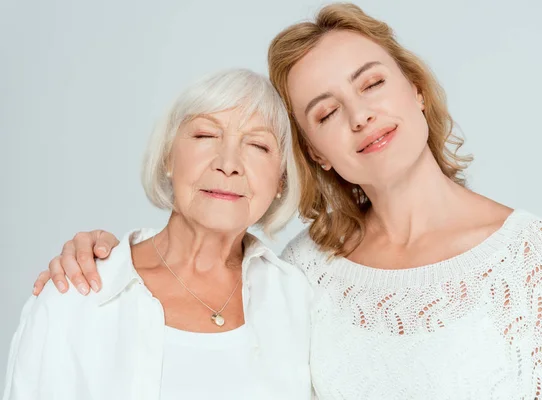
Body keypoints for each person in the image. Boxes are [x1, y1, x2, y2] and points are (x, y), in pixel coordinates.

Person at [31, 3, 542, 399]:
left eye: (372, 83)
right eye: (326, 113)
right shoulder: (304, 270)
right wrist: (106, 255)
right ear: (317, 153)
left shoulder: (532, 258)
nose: (360, 116)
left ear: (416, 90)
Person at [4, 69, 313, 400]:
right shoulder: (76, 296)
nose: (228, 163)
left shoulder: (301, 301)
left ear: (280, 181)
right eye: (206, 135)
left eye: (257, 145)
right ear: (169, 156)